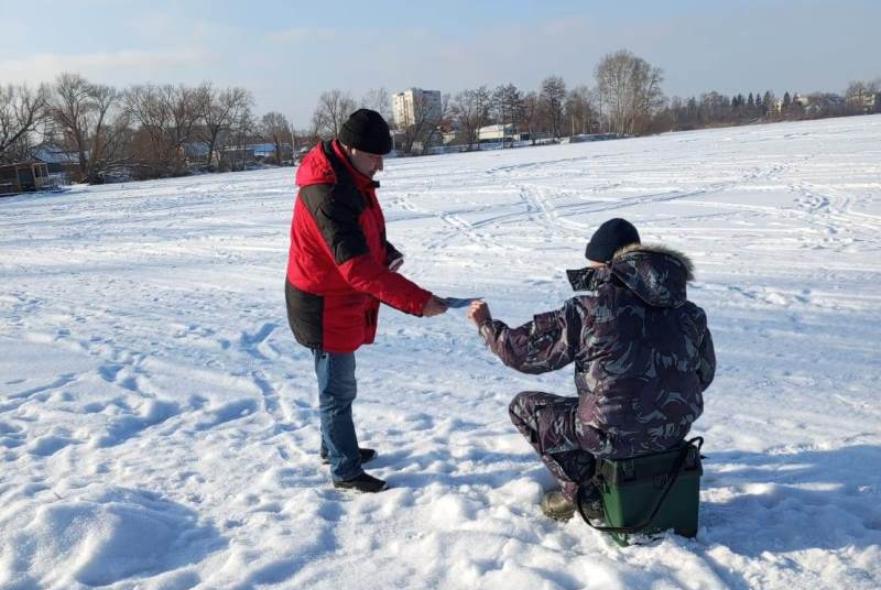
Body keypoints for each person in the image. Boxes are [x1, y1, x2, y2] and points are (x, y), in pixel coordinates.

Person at [467, 218, 715, 521]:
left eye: (595, 268)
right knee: (595, 410)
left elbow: (520, 353)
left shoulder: (587, 311)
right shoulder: (690, 314)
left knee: (524, 407)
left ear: (612, 267)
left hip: (608, 435)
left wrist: (487, 327)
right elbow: (704, 375)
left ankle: (582, 493)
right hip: (673, 432)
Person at [285, 109, 448, 493]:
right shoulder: (328, 190)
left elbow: (362, 234)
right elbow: (356, 268)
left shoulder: (348, 176)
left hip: (335, 297)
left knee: (338, 386)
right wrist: (419, 302)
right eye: (375, 157)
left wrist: (384, 250)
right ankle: (345, 470)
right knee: (337, 390)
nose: (380, 166)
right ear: (351, 147)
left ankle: (334, 447)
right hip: (322, 304)